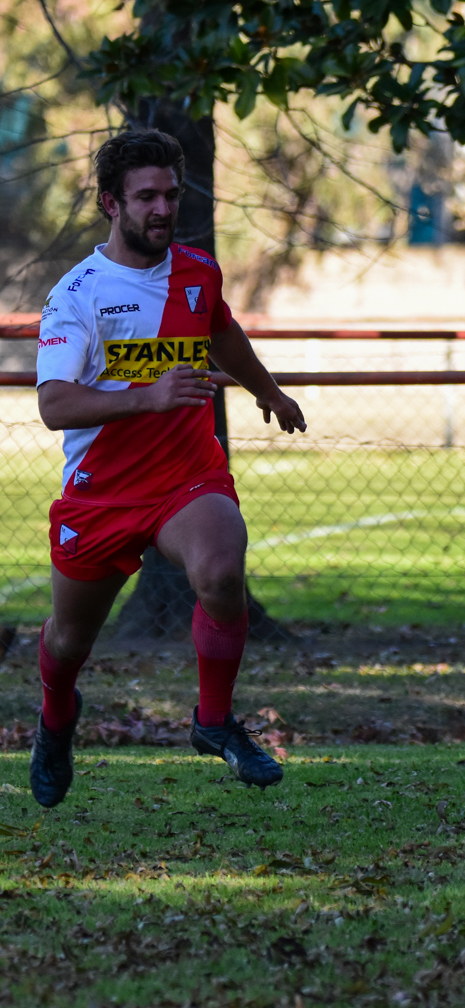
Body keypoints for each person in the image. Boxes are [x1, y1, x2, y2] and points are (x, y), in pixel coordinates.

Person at [29, 130, 307, 808]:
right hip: (102, 494)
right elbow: (54, 404)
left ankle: (214, 721)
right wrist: (147, 396)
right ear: (111, 204)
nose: (162, 208)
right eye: (146, 196)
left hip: (187, 476)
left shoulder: (199, 271)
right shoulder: (77, 294)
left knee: (221, 572)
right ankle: (56, 719)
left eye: (171, 194)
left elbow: (221, 331)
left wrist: (267, 390)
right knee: (68, 641)